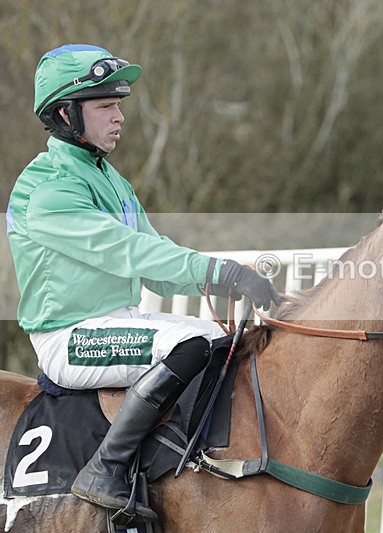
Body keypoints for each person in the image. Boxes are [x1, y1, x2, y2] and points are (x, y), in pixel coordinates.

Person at [6, 44, 281, 522]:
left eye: (120, 104)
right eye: (106, 106)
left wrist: (223, 280)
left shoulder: (110, 179)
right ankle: (106, 470)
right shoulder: (49, 190)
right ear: (67, 113)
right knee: (193, 341)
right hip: (69, 338)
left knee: (217, 342)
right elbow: (128, 251)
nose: (120, 117)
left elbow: (154, 261)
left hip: (117, 321)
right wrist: (220, 273)